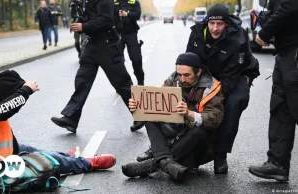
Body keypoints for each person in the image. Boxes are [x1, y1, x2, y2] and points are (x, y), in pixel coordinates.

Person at [122, 52, 224, 181]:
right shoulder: (174, 79)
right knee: (149, 115)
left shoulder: (212, 87)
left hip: (197, 147)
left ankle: (152, 165)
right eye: (179, 74)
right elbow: (153, 102)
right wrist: (138, 105)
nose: (182, 79)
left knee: (199, 130)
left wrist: (189, 114)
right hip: (174, 137)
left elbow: (215, 120)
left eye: (187, 75)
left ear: (198, 72)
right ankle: (166, 162)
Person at [185, 3, 260, 174]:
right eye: (212, 24)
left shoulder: (237, 38)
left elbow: (228, 80)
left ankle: (221, 154)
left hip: (237, 74)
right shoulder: (196, 34)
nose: (215, 28)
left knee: (232, 103)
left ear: (226, 24)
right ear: (207, 23)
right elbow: (189, 62)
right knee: (190, 98)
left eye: (220, 24)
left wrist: (209, 99)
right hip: (209, 72)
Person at [51, 0, 144, 133]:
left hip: (108, 45)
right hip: (92, 45)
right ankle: (71, 118)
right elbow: (89, 16)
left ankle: (140, 116)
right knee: (82, 81)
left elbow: (106, 19)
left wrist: (84, 27)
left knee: (122, 83)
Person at [0, 70, 116, 175]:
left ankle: (68, 158)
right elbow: (2, 110)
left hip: (8, 150)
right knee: (49, 161)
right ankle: (87, 163)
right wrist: (26, 90)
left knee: (40, 151)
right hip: (2, 166)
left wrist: (19, 85)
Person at [249, 0, 298, 182]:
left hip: (294, 53)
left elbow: (291, 6)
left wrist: (265, 31)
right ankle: (277, 164)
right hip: (285, 52)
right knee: (280, 109)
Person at [115, 0, 145, 86]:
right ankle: (122, 83)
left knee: (136, 59)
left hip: (131, 34)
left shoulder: (134, 2)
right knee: (117, 61)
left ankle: (140, 82)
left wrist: (127, 14)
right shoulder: (113, 2)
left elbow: (137, 15)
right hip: (117, 35)